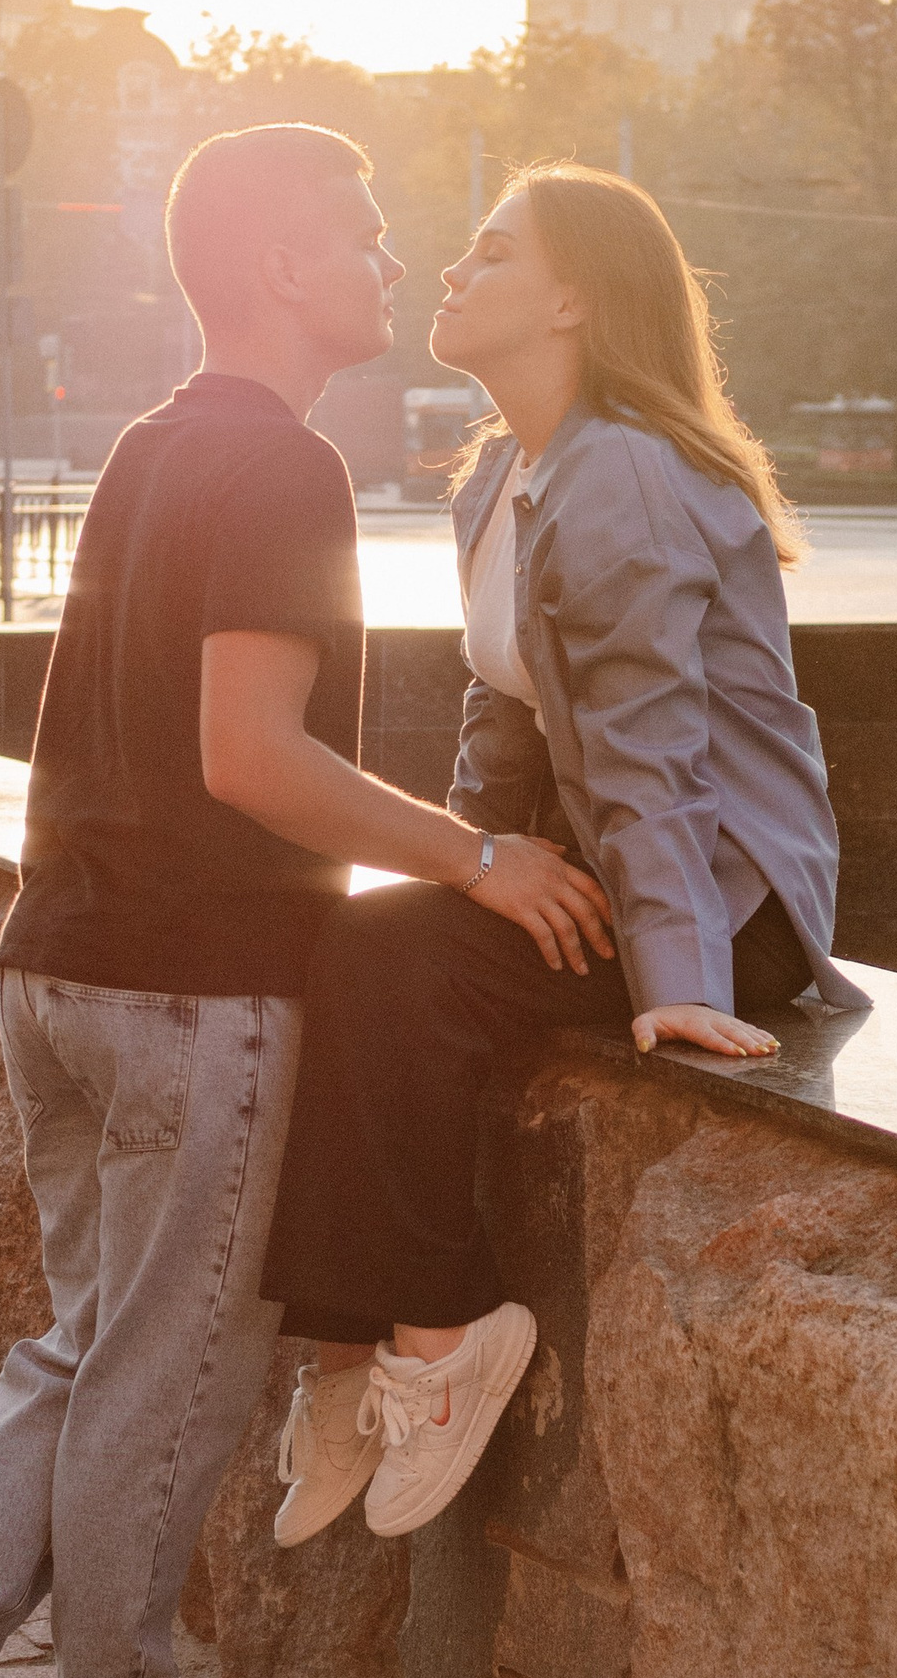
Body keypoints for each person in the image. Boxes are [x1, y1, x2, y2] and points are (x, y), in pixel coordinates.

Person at [0, 123, 609, 1678]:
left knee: (82, 1348)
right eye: (365, 230)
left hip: (59, 963)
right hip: (189, 984)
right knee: (167, 1368)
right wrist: (479, 858)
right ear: (275, 268)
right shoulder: (285, 472)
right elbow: (252, 758)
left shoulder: (154, 449)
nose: (392, 260)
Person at [258, 161, 857, 1550]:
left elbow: (656, 749)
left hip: (722, 894)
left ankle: (446, 1334)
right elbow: (507, 708)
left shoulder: (629, 475)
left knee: (389, 966)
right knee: (352, 941)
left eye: (490, 256)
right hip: (606, 854)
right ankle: (352, 1364)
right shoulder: (504, 477)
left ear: (576, 299)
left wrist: (680, 973)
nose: (450, 276)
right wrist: (464, 857)